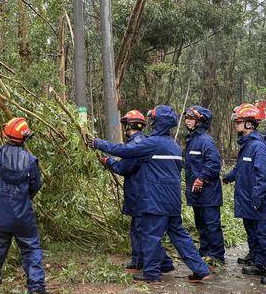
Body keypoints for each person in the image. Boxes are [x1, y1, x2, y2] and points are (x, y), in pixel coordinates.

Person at [91, 105, 212, 284]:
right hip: (172, 200)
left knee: (151, 237)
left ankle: (151, 273)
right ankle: (201, 270)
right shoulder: (174, 146)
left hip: (155, 200)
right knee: (180, 236)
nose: (151, 123)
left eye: (153, 120)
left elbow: (124, 151)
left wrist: (98, 143)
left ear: (159, 122)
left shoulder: (152, 143)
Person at [0, 117, 54, 294]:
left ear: (6, 134)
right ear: (24, 138)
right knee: (31, 249)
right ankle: (36, 287)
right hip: (23, 216)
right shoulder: (30, 161)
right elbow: (35, 185)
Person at [223, 103, 266, 285]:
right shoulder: (247, 145)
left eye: (239, 122)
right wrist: (227, 178)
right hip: (249, 202)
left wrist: (257, 199)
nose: (236, 125)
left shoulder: (258, 147)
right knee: (254, 235)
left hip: (261, 203)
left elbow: (265, 177)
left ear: (249, 124)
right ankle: (261, 264)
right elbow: (240, 168)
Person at [101, 110, 174, 275]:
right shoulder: (141, 141)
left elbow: (124, 167)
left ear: (130, 125)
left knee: (143, 230)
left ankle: (163, 261)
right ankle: (139, 259)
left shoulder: (137, 144)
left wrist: (108, 162)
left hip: (140, 193)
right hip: (139, 192)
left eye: (126, 124)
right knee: (137, 228)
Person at [182, 105, 225, 265]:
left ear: (200, 121)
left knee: (211, 225)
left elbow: (213, 164)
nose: (188, 121)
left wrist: (201, 179)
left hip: (209, 193)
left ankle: (216, 256)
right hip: (196, 193)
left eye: (191, 118)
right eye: (187, 118)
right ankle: (205, 252)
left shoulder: (205, 140)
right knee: (201, 225)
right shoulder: (191, 140)